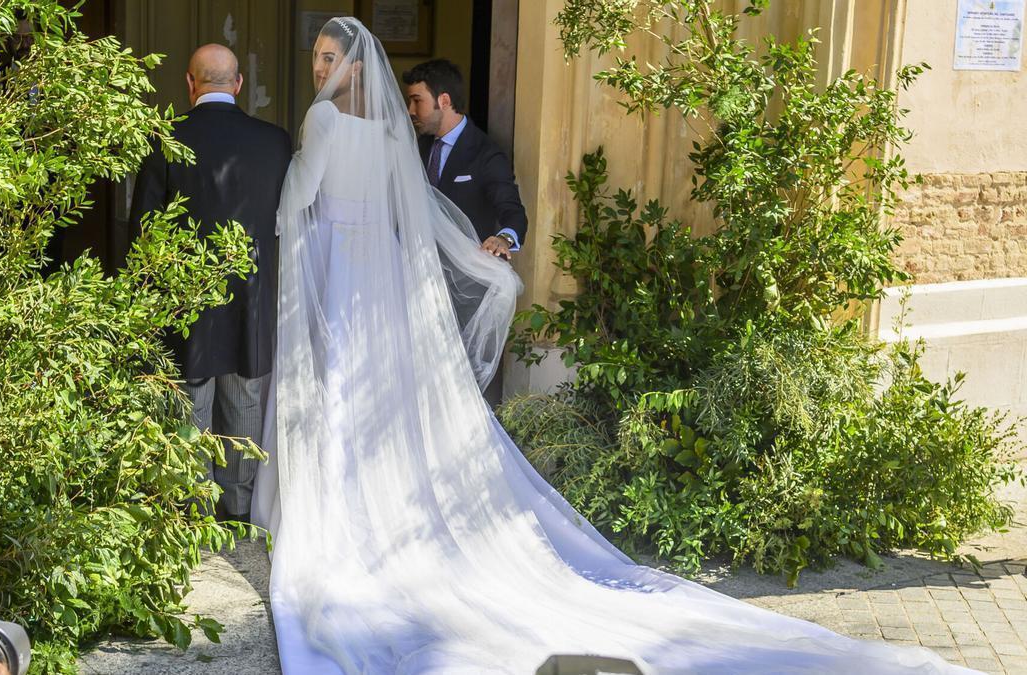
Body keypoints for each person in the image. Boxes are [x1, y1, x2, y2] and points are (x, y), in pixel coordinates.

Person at [251, 16, 971, 675]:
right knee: (375, 381)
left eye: (326, 58)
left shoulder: (321, 122)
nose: (319, 69)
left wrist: (290, 235)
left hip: (343, 267)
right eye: (317, 58)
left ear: (351, 67)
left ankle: (342, 514)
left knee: (341, 380)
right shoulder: (388, 136)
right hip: (378, 272)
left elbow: (299, 197)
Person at [129, 44, 292, 523]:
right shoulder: (275, 141)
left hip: (186, 301)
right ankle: (237, 511)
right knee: (244, 403)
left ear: (189, 82)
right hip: (252, 301)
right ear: (238, 84)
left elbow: (144, 230)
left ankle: (190, 514)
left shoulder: (166, 138)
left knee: (189, 406)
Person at [403, 58, 527, 402]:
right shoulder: (418, 145)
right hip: (417, 283)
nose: (412, 109)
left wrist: (504, 238)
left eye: (417, 100)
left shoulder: (486, 154)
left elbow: (512, 210)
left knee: (459, 389)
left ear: (444, 100)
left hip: (465, 292)